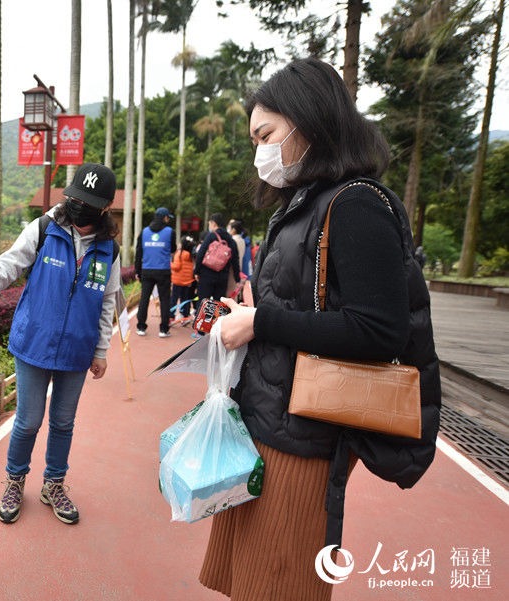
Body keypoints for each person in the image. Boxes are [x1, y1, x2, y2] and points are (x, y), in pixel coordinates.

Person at [197, 58, 440, 601]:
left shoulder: (354, 205)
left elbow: (377, 330)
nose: (259, 150)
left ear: (307, 121)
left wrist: (262, 321)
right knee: (252, 579)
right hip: (270, 421)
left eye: (266, 134)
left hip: (304, 438)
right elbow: (309, 304)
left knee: (280, 582)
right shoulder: (308, 202)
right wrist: (258, 307)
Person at [0, 163, 121, 526]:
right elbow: (5, 268)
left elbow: (108, 301)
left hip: (76, 352)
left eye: (89, 202)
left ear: (105, 207)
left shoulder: (108, 251)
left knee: (64, 422)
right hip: (34, 344)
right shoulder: (45, 229)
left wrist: (100, 350)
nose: (80, 207)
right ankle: (15, 480)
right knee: (28, 421)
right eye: (76, 198)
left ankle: (53, 485)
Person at [134, 207, 176, 337]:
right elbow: (173, 249)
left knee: (144, 299)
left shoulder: (144, 232)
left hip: (147, 270)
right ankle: (163, 329)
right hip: (163, 270)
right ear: (164, 218)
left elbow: (138, 253)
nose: (168, 220)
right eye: (167, 217)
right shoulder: (170, 232)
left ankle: (141, 327)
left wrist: (137, 271)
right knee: (164, 299)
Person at [193, 213, 240, 304]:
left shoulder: (211, 236)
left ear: (214, 223)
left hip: (207, 274)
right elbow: (235, 261)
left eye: (209, 223)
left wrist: (196, 271)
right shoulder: (230, 239)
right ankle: (217, 319)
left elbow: (200, 254)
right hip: (222, 276)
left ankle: (201, 318)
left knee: (203, 302)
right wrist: (237, 278)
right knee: (218, 305)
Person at [170, 235, 197, 322]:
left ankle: (171, 315)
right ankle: (185, 315)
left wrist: (170, 264)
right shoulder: (191, 255)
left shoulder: (179, 254)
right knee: (185, 299)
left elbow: (177, 267)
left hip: (177, 281)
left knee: (174, 299)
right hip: (187, 281)